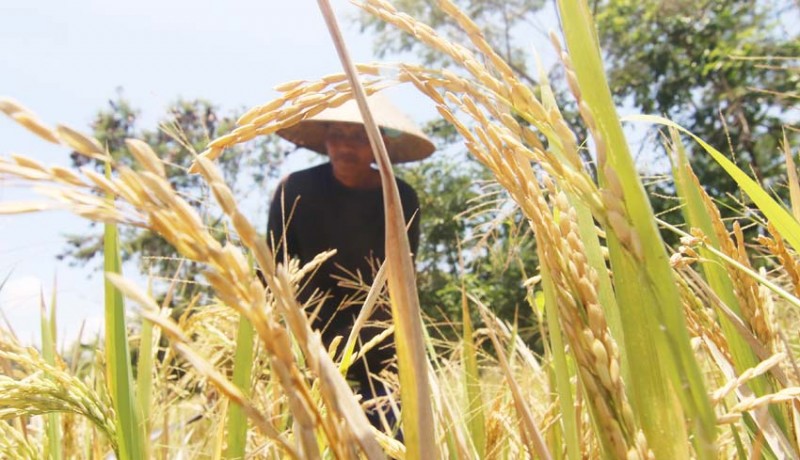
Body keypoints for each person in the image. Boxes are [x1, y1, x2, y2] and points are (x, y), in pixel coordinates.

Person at [267, 93, 435, 427]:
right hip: (311, 333)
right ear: (326, 141)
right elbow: (276, 268)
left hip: (378, 335)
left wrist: (378, 333)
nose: (346, 146)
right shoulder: (295, 189)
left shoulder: (399, 196)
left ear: (378, 145)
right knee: (313, 430)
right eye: (338, 135)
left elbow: (403, 277)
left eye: (359, 137)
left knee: (390, 432)